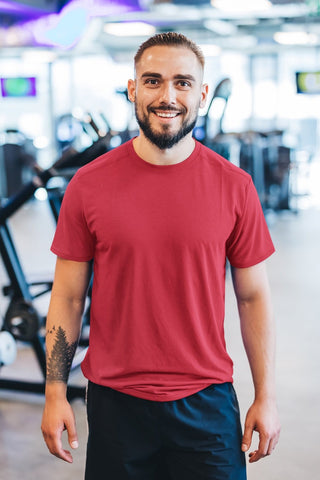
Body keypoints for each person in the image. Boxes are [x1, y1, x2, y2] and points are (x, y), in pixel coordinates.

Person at [41, 32, 280, 479]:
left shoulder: (234, 186)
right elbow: (68, 297)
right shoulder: (89, 186)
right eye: (152, 81)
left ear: (202, 94)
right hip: (116, 405)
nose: (167, 96)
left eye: (183, 83)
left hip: (206, 404)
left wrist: (265, 395)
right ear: (133, 90)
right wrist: (55, 391)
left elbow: (253, 297)